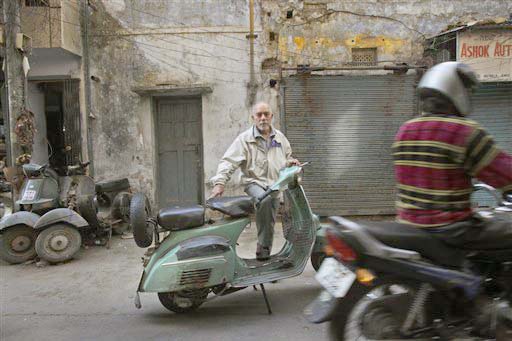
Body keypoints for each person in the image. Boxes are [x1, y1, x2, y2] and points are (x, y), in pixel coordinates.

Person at [392, 61, 512, 249]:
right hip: (452, 230)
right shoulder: (463, 131)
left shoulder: (405, 130)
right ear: (455, 90)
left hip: (409, 227)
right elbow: (503, 172)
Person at [210, 102, 300, 260]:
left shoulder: (280, 138)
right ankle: (263, 250)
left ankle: (264, 251)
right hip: (254, 182)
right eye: (259, 115)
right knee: (264, 200)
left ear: (271, 116)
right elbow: (229, 162)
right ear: (253, 118)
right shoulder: (244, 139)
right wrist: (219, 183)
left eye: (266, 114)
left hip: (275, 184)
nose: (263, 118)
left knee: (270, 215)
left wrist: (291, 162)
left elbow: (286, 157)